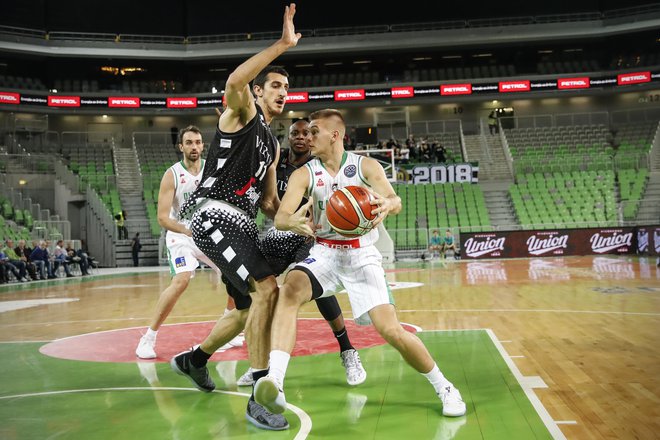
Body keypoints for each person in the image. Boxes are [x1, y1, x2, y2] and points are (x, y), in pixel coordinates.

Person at [254, 108, 466, 418]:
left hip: (361, 254)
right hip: (325, 252)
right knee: (289, 292)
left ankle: (445, 387)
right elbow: (283, 216)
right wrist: (292, 222)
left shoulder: (364, 166)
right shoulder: (305, 173)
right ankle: (276, 380)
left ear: (335, 135)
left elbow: (394, 200)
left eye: (315, 132)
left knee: (391, 330)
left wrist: (387, 204)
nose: (308, 137)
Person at [170, 3, 301, 431]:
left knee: (251, 304)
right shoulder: (240, 113)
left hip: (243, 223)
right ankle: (260, 395)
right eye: (276, 85)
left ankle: (196, 359)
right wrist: (281, 46)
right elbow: (233, 80)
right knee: (266, 288)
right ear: (259, 93)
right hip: (212, 216)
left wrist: (302, 218)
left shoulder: (274, 146)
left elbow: (267, 204)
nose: (283, 92)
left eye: (288, 88)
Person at [235, 118, 366, 387]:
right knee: (251, 284)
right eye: (295, 133)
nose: (301, 137)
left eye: (307, 133)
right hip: (280, 232)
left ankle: (348, 350)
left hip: (311, 235)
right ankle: (261, 363)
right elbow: (266, 201)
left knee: (316, 287)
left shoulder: (318, 166)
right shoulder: (276, 164)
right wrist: (285, 218)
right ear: (289, 137)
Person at [136, 125, 230, 359]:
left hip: (208, 233)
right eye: (189, 142)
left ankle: (229, 330)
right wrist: (188, 230)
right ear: (181, 147)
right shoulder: (172, 174)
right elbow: (163, 218)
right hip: (181, 235)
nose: (195, 146)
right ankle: (148, 337)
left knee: (235, 277)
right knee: (181, 280)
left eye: (198, 142)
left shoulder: (212, 169)